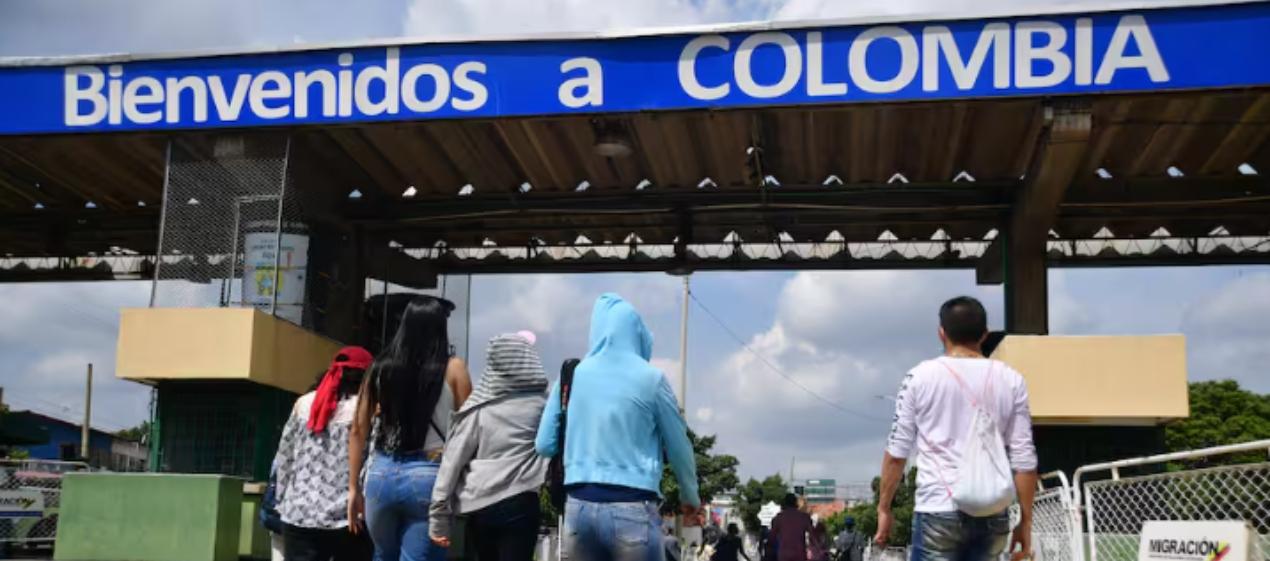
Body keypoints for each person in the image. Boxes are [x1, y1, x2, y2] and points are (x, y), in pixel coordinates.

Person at [536, 293, 701, 561]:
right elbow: (679, 446)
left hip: (578, 511)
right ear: (636, 334)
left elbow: (543, 444)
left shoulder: (573, 376)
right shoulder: (652, 379)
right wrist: (689, 496)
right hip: (634, 508)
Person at [875, 296, 1038, 561]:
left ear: (942, 333)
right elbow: (1024, 460)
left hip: (937, 508)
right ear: (985, 334)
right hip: (993, 511)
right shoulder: (1012, 380)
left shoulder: (919, 377)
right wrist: (1025, 522)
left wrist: (884, 508)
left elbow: (897, 453)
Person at [348, 296, 473, 561]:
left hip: (380, 476)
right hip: (429, 476)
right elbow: (470, 431)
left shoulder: (379, 368)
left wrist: (352, 489)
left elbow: (358, 429)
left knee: (382, 556)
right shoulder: (453, 369)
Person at [428, 332, 550, 561]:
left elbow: (452, 463)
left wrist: (438, 518)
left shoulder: (478, 408)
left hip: (480, 504)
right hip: (522, 502)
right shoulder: (541, 405)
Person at [272, 347, 376, 561]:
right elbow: (371, 461)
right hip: (347, 516)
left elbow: (284, 457)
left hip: (299, 513)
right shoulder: (367, 409)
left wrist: (283, 500)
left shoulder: (303, 403)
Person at [769, 494, 811, 561]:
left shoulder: (778, 518)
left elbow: (771, 538)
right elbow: (813, 535)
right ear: (795, 503)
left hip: (784, 555)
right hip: (800, 554)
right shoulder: (804, 517)